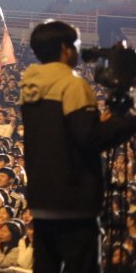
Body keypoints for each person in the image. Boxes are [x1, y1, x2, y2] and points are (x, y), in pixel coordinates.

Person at [20, 20, 136, 272]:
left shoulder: (31, 83)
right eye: (77, 44)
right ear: (65, 48)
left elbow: (62, 133)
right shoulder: (71, 84)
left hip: (42, 198)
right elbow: (90, 139)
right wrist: (126, 121)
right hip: (73, 199)